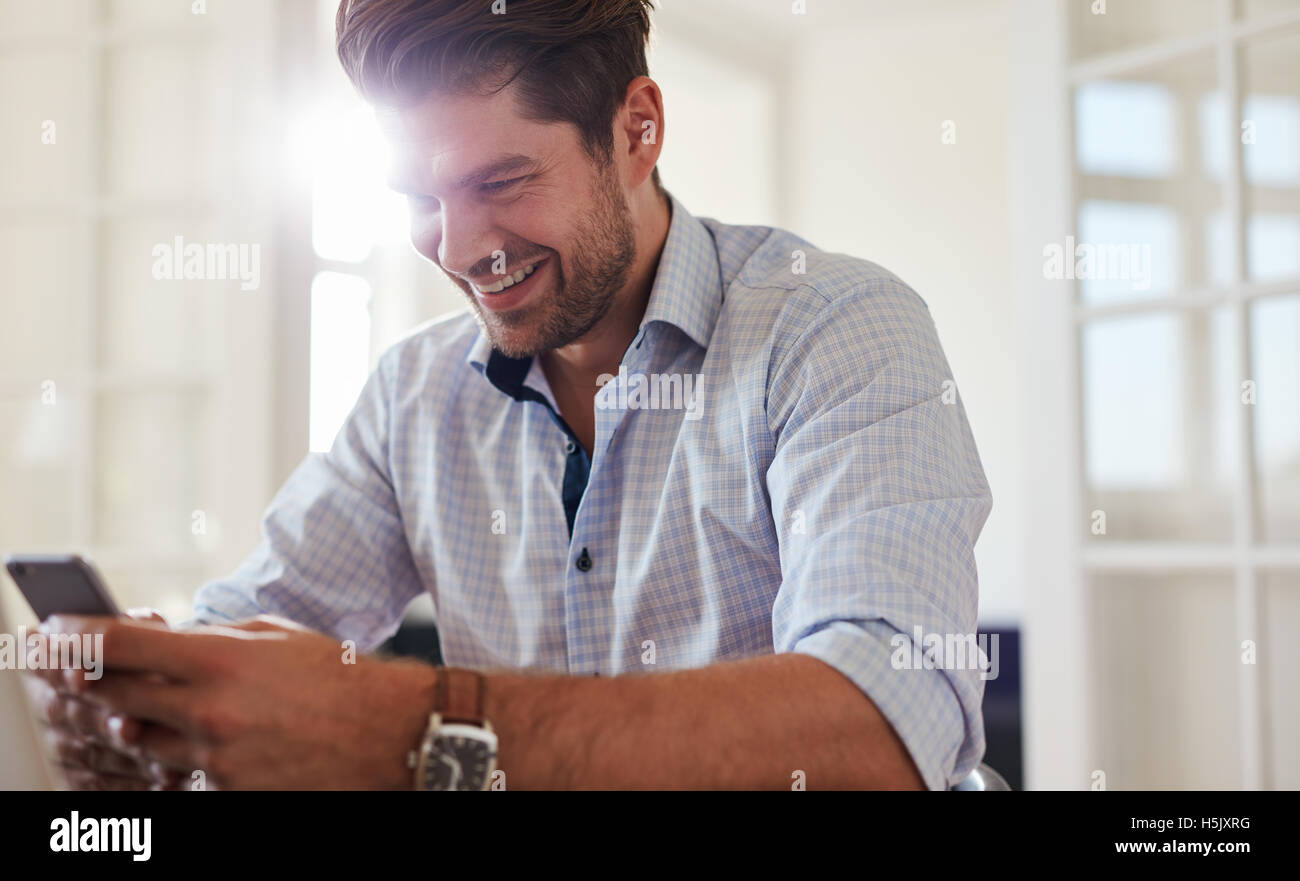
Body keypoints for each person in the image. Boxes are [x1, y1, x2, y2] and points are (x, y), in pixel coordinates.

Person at [32, 0, 991, 790]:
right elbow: (264, 608)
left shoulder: (837, 329)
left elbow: (876, 734)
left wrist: (402, 728)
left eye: (501, 179)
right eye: (418, 198)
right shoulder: (415, 394)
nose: (455, 249)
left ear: (636, 131)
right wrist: (159, 693)